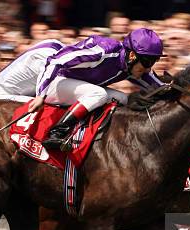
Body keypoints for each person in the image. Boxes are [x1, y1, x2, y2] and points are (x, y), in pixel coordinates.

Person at [28, 28, 165, 150]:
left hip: (81, 89)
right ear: (132, 55)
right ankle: (56, 132)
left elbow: (161, 88)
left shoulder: (131, 65)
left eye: (153, 62)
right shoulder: (104, 50)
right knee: (98, 94)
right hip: (55, 83)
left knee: (125, 99)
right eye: (148, 61)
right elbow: (55, 61)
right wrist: (41, 94)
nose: (148, 68)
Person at [0, 39, 65, 102]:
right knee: (46, 104)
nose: (5, 61)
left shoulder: (53, 47)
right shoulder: (43, 58)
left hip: (23, 89)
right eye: (3, 59)